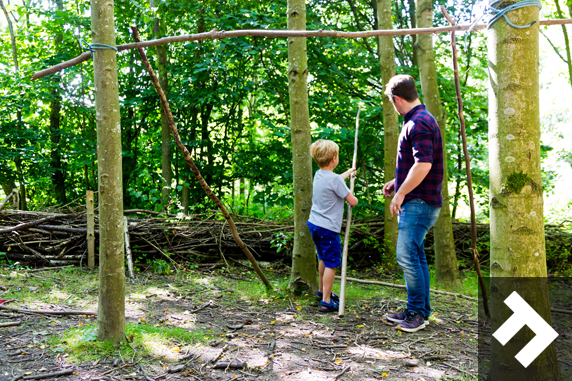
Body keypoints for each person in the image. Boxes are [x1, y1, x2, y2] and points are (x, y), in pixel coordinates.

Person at [382, 74, 444, 332]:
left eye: (391, 102)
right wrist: (396, 183)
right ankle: (418, 309)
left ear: (397, 99)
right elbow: (416, 164)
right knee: (415, 256)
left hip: (419, 203)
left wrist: (401, 194)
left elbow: (423, 165)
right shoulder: (420, 119)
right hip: (420, 200)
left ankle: (417, 314)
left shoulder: (418, 123)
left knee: (406, 255)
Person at [307, 139, 358, 313]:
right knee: (331, 264)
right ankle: (326, 301)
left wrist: (348, 173)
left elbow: (335, 181)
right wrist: (354, 196)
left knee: (322, 258)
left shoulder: (319, 174)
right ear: (334, 159)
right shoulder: (335, 180)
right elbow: (352, 201)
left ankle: (322, 292)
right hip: (328, 229)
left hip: (314, 224)